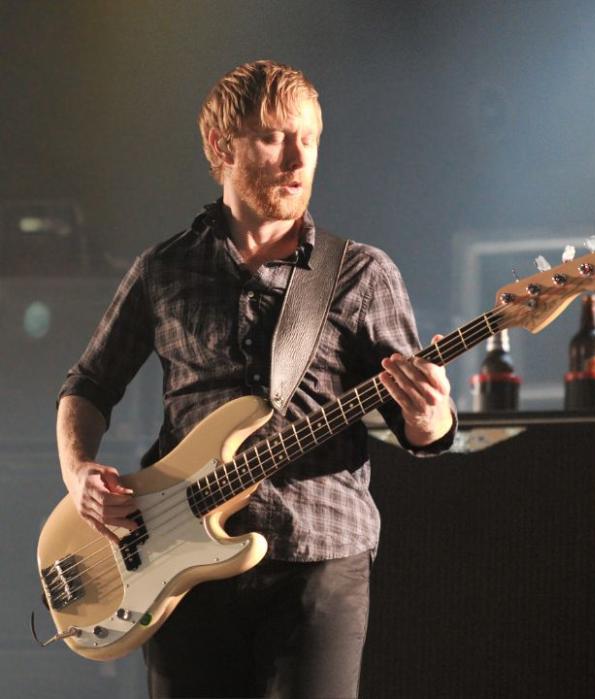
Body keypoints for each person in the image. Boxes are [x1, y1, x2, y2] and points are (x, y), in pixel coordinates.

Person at [55, 60, 456, 698]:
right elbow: (88, 385)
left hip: (319, 554)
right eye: (274, 137)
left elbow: (423, 431)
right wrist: (79, 475)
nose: (298, 159)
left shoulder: (362, 274)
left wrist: (431, 419)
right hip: (174, 560)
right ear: (222, 147)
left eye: (310, 139)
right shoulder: (164, 269)